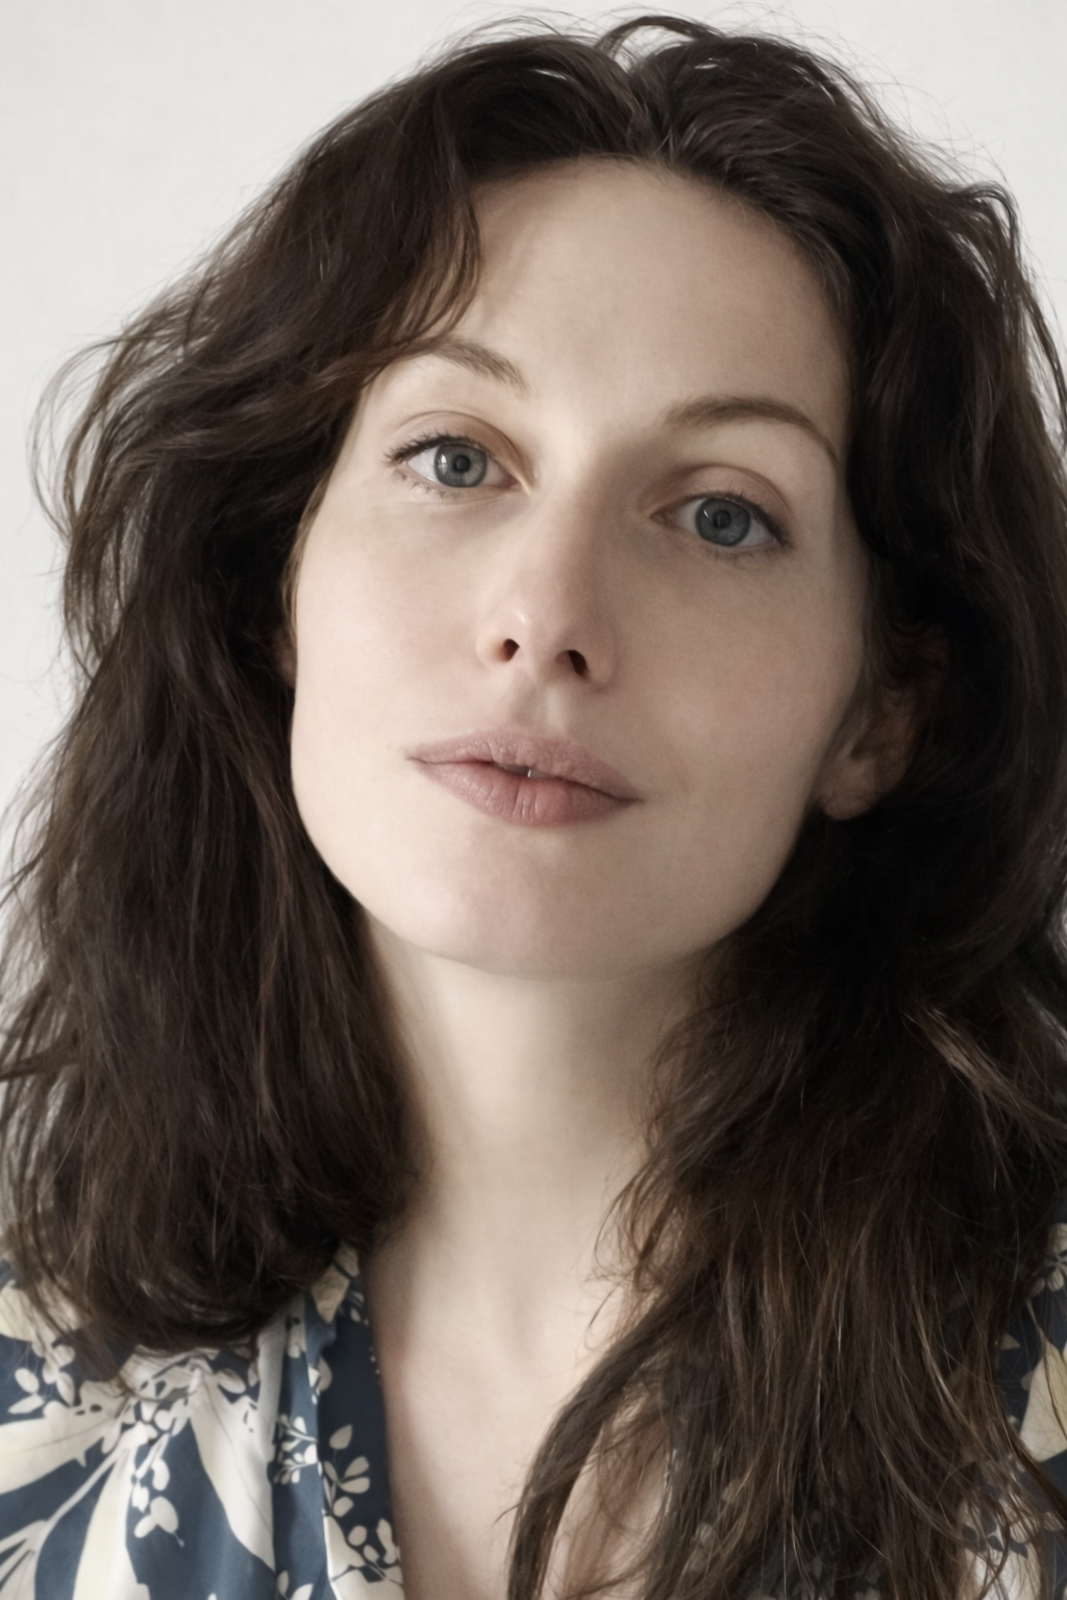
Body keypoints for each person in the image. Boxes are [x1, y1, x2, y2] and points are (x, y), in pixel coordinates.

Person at [1, 13, 1067, 1598]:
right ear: (275, 583)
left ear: (880, 712)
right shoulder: (33, 1410)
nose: (546, 615)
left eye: (719, 517)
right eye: (454, 459)